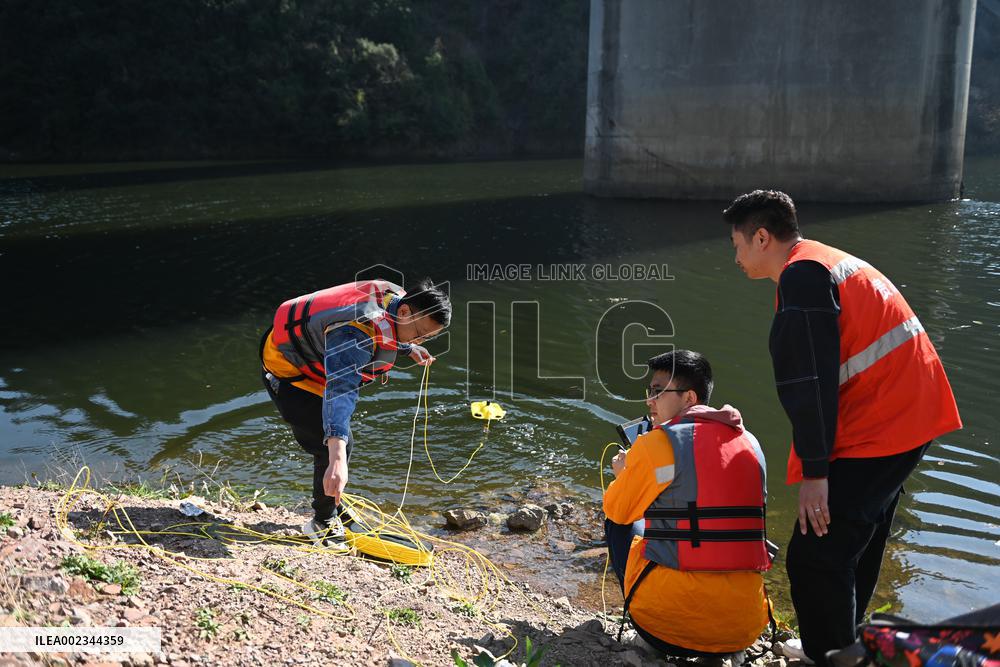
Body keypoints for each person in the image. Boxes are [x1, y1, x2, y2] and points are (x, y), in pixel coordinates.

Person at [722, 190, 962, 666]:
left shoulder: (803, 279)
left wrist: (816, 473)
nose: (736, 258)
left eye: (738, 245)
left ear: (763, 237)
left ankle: (829, 655)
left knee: (815, 557)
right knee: (856, 541)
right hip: (908, 418)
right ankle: (842, 645)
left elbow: (807, 381)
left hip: (882, 428)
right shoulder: (825, 261)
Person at [259, 277, 451, 548]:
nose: (421, 339)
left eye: (427, 338)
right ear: (406, 312)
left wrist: (409, 347)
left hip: (321, 362)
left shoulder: (395, 301)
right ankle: (321, 522)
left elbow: (391, 328)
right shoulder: (354, 336)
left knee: (340, 446)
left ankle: (333, 503)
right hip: (289, 373)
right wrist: (337, 460)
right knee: (331, 447)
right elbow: (340, 392)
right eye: (420, 334)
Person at [604, 350, 772, 657]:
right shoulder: (752, 443)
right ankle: (723, 648)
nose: (649, 401)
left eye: (657, 391)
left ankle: (646, 641)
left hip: (666, 629)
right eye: (649, 391)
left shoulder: (657, 444)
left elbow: (618, 510)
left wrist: (622, 475)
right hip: (743, 629)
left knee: (620, 520)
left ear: (689, 397)